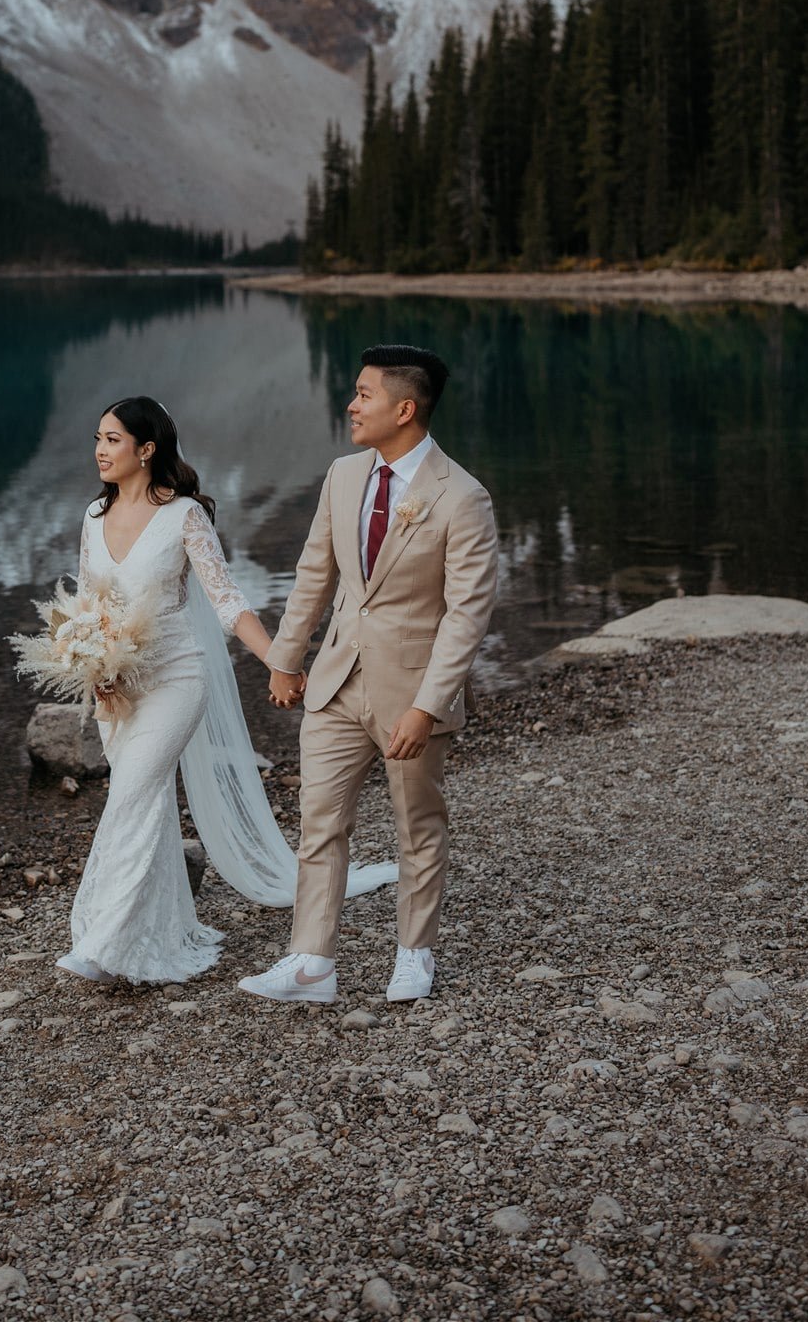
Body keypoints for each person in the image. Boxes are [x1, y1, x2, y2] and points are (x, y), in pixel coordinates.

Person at [57, 395, 394, 986]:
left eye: (112, 440)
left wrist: (280, 663)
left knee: (131, 794)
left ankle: (102, 942)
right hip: (118, 688)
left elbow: (228, 602)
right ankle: (153, 935)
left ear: (147, 449)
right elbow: (89, 601)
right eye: (97, 439)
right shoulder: (92, 516)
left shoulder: (185, 515)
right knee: (149, 802)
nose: (100, 451)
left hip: (176, 681)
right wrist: (90, 663)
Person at [238, 344, 498, 1006]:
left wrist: (426, 706)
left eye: (362, 394)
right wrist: (285, 660)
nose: (349, 404)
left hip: (409, 695)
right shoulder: (344, 475)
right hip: (334, 683)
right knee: (319, 823)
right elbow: (313, 574)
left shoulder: (462, 497)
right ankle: (309, 963)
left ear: (403, 409)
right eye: (352, 392)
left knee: (418, 825)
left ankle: (414, 953)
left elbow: (465, 617)